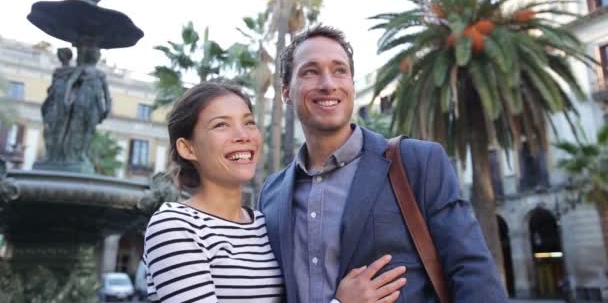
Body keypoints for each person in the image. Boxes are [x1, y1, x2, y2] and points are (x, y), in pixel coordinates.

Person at [258, 25, 508, 302]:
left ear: (352, 84)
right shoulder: (272, 194)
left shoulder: (417, 162)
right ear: (286, 92)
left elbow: (474, 274)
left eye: (340, 70)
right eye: (310, 71)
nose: (328, 83)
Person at [143, 82, 407, 303]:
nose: (243, 135)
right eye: (221, 125)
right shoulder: (175, 226)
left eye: (249, 123)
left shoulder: (264, 223)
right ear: (188, 148)